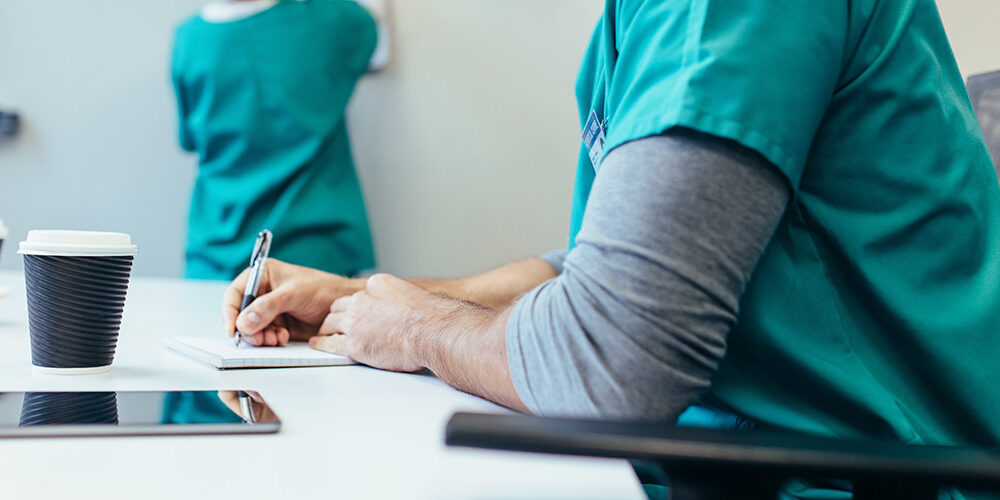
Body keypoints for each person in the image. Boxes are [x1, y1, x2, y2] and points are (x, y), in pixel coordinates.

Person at [223, 0, 1000, 497]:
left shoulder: (724, 15)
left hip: (858, 478)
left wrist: (419, 332)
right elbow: (600, 274)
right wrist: (369, 299)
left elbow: (613, 358)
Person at [171, 0, 378, 280]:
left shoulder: (190, 40)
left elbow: (190, 139)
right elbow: (368, 35)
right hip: (313, 261)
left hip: (213, 259)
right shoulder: (332, 20)